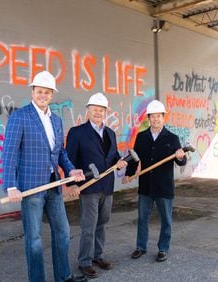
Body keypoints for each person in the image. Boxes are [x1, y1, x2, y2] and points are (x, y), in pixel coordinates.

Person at [2, 71, 87, 282]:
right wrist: (10, 186)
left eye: (47, 92)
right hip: (31, 188)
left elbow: (60, 153)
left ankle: (63, 276)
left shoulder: (56, 120)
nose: (43, 95)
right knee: (34, 240)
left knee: (63, 232)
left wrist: (70, 170)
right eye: (39, 91)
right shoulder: (20, 116)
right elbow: (9, 152)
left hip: (53, 185)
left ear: (52, 95)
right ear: (32, 92)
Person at [66, 93, 128, 279]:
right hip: (88, 187)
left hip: (107, 186)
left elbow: (113, 155)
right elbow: (70, 160)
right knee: (88, 226)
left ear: (105, 112)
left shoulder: (109, 132)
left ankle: (97, 256)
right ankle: (84, 262)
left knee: (102, 223)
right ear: (88, 110)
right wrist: (71, 185)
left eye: (101, 110)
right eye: (94, 109)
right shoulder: (77, 132)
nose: (98, 112)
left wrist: (119, 161)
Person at [122, 100, 186, 263]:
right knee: (143, 218)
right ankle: (140, 247)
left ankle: (163, 249)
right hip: (145, 186)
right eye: (153, 116)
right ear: (148, 118)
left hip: (164, 187)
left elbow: (180, 162)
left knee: (166, 220)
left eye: (159, 116)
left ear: (164, 118)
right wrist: (128, 174)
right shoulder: (142, 137)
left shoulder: (172, 138)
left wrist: (181, 157)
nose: (156, 119)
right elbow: (135, 159)